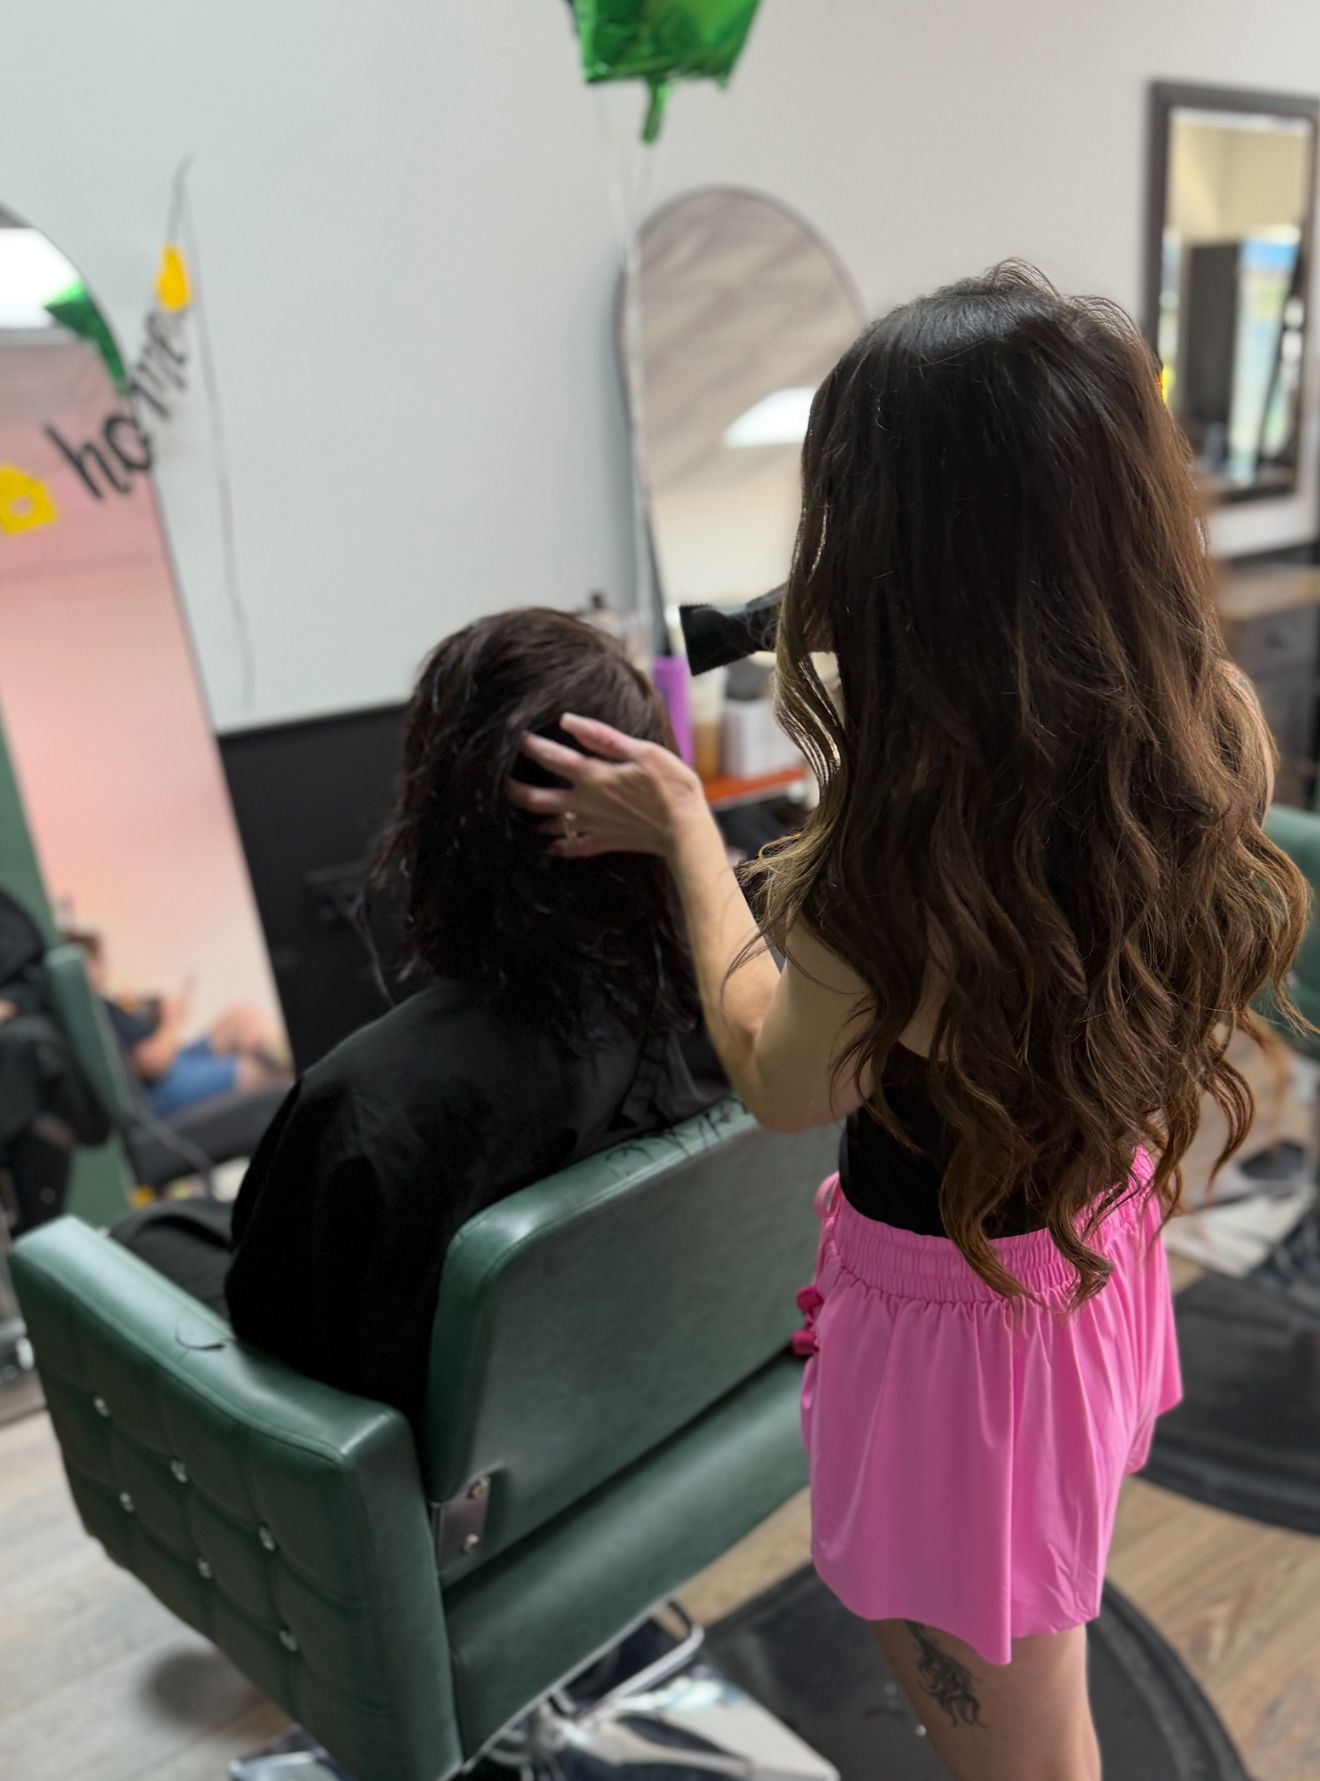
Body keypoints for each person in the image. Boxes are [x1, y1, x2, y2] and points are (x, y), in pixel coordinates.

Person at [507, 264, 1309, 1781]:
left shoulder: (896, 867)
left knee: (1016, 1751)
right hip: (1089, 1264)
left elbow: (778, 1073)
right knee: (1033, 1654)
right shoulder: (1201, 726)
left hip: (967, 1361)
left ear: (885, 560)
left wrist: (685, 826)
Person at [114, 609, 724, 1428]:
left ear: (440, 812)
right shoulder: (735, 1017)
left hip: (422, 1476)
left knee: (137, 1238)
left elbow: (287, 1349)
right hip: (613, 1411)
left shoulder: (372, 1101)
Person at [66, 928, 290, 1117]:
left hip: (175, 1065)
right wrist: (172, 1019)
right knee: (266, 1073)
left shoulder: (104, 1005)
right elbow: (154, 1063)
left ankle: (278, 1053)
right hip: (160, 1090)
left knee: (243, 1016)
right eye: (95, 959)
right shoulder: (97, 1008)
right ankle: (285, 1060)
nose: (102, 966)